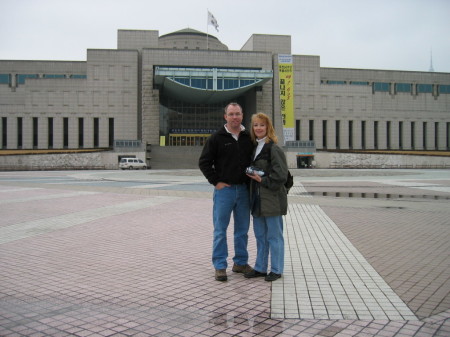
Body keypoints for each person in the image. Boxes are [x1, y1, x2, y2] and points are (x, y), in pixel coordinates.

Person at [198, 102, 255, 281]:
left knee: (242, 230)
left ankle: (240, 262)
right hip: (225, 192)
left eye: (237, 114)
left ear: (242, 115)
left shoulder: (249, 137)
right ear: (225, 117)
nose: (234, 117)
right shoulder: (216, 138)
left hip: (244, 191)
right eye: (231, 114)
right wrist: (216, 182)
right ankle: (220, 266)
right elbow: (204, 162)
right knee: (220, 230)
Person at [244, 112, 288, 282]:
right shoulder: (255, 147)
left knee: (274, 236)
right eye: (255, 125)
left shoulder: (274, 148)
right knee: (261, 236)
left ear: (268, 127)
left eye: (262, 125)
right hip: (257, 200)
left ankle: (276, 269)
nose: (258, 128)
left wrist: (261, 179)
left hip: (272, 200)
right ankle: (261, 268)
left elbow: (281, 175)